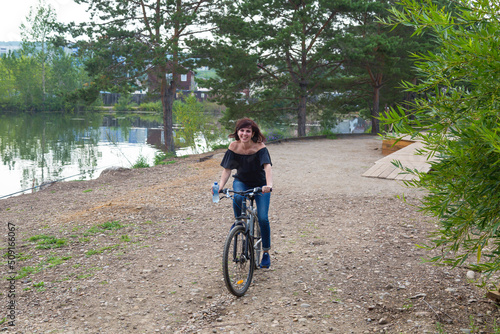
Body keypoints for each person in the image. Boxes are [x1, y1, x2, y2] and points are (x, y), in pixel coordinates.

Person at [214, 118, 273, 268]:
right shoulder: (233, 146)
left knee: (263, 218)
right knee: (237, 196)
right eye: (242, 130)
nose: (244, 134)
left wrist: (269, 184)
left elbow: (267, 167)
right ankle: (239, 222)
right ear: (237, 132)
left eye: (248, 131)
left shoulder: (260, 147)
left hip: (261, 185)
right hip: (242, 181)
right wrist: (220, 186)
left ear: (253, 133)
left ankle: (265, 252)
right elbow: (227, 169)